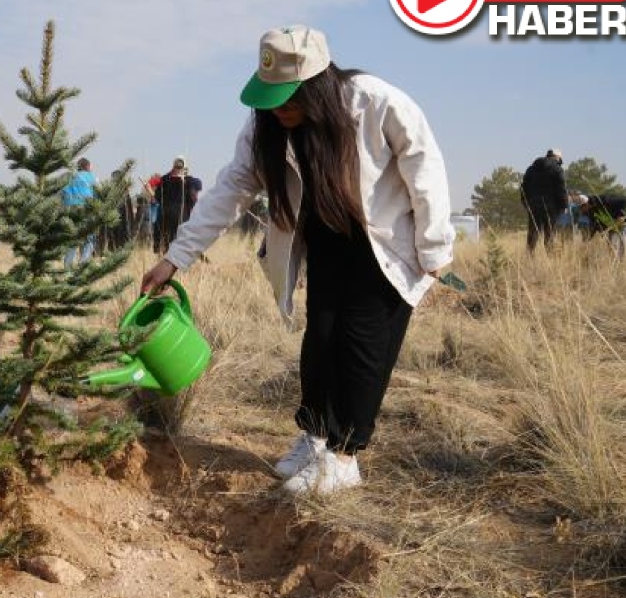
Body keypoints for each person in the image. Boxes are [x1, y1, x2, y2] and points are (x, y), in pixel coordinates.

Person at [140, 25, 453, 496]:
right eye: (270, 96)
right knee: (321, 340)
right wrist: (174, 259)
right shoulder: (264, 124)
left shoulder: (374, 101)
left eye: (290, 95)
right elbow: (230, 190)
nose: (280, 107)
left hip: (384, 244)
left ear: (320, 82)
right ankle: (315, 438)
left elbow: (425, 169)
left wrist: (433, 247)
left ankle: (345, 458)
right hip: (325, 241)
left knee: (362, 346)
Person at [520, 149, 568, 253]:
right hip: (551, 207)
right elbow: (561, 190)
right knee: (550, 233)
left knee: (533, 232)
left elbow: (523, 188)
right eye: (560, 160)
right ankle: (550, 259)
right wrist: (564, 205)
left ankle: (529, 256)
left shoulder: (531, 169)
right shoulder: (557, 169)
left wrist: (526, 203)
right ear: (557, 158)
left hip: (533, 205)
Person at [154, 156, 202, 254]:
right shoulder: (165, 179)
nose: (178, 169)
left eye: (180, 167)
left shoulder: (189, 181)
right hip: (167, 218)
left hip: (182, 218)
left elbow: (197, 188)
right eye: (177, 167)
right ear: (173, 167)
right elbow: (158, 197)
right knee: (167, 244)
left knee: (182, 243)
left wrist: (184, 179)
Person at [62, 157, 98, 267]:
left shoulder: (70, 177)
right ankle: (83, 264)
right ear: (87, 166)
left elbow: (64, 193)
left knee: (73, 240)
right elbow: (97, 193)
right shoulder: (91, 177)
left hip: (71, 211)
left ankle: (67, 266)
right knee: (89, 239)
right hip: (87, 210)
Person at [574, 192, 626, 259]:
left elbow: (624, 200)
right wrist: (587, 240)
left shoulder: (603, 200)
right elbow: (594, 225)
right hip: (611, 227)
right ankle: (614, 263)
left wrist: (621, 216)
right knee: (612, 245)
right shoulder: (589, 212)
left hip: (622, 224)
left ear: (586, 204)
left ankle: (621, 262)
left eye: (581, 207)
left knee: (622, 245)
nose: (581, 210)